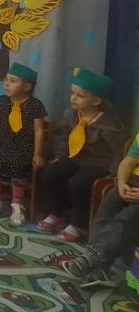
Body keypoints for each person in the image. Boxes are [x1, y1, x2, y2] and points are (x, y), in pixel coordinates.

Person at [37, 67, 124, 242]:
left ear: (96, 100)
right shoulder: (70, 115)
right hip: (76, 158)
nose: (73, 98)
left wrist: (114, 174)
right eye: (72, 93)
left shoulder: (109, 125)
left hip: (99, 164)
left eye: (80, 95)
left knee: (78, 182)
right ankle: (57, 213)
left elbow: (118, 152)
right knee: (49, 173)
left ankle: (79, 224)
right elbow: (66, 139)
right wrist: (59, 158)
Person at [61, 131, 139, 288]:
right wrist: (122, 184)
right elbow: (127, 162)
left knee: (126, 218)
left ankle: (94, 257)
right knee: (107, 210)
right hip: (132, 182)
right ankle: (99, 266)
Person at [0, 63, 46, 226]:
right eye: (6, 80)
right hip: (1, 144)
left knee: (19, 161)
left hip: (23, 147)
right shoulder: (2, 101)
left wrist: (38, 154)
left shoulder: (35, 105)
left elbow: (39, 131)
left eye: (13, 81)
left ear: (27, 87)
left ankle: (17, 203)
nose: (7, 84)